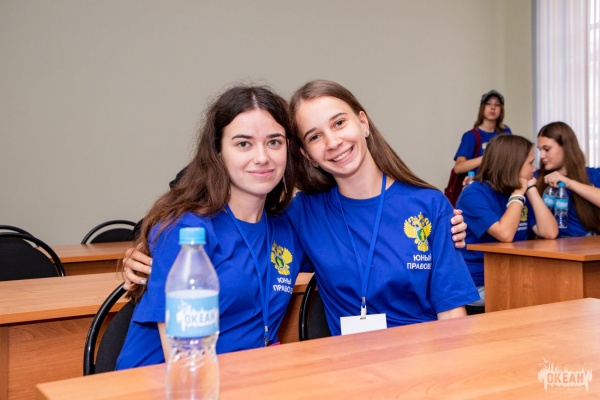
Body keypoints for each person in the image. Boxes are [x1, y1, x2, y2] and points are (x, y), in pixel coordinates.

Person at [122, 80, 476, 338]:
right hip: (353, 372)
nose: (333, 142)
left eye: (339, 123)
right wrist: (143, 247)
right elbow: (215, 222)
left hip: (424, 362)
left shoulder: (430, 206)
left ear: (363, 123)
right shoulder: (302, 215)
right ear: (306, 154)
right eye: (314, 136)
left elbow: (452, 315)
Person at [115, 85, 308, 370]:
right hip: (164, 382)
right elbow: (185, 362)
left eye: (274, 142)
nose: (262, 157)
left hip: (247, 377)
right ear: (218, 152)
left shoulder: (287, 228)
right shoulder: (186, 232)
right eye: (243, 144)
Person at [457, 134, 558, 306]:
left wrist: (531, 188)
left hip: (513, 275)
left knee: (557, 290)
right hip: (479, 283)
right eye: (530, 163)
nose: (534, 169)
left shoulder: (518, 190)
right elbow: (505, 234)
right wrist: (518, 194)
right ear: (513, 165)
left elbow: (550, 232)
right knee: (543, 297)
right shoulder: (473, 194)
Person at [536, 121, 600, 237]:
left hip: (588, 243)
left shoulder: (593, 174)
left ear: (566, 147)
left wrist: (570, 183)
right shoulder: (536, 178)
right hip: (552, 243)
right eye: (540, 150)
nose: (541, 156)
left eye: (547, 149)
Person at [453, 90, 512, 175]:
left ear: (501, 110)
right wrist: (486, 158)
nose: (493, 107)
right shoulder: (471, 136)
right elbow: (458, 168)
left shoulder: (505, 132)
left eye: (497, 105)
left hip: (502, 180)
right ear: (482, 108)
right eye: (488, 104)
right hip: (479, 181)